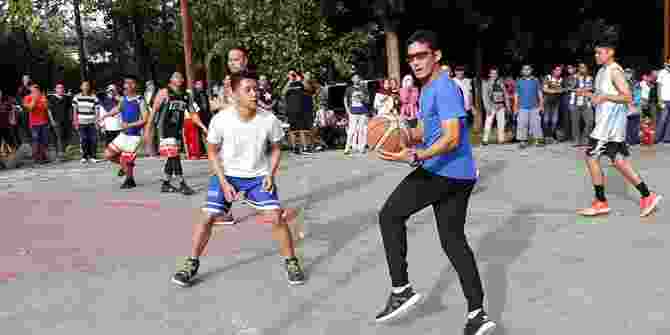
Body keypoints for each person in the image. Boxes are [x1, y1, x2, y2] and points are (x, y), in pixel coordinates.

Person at [375, 30, 496, 334]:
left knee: (390, 215)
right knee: (454, 243)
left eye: (421, 56)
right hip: (461, 175)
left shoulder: (442, 86)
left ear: (436, 55)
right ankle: (477, 314)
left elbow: (452, 137)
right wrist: (396, 131)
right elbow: (426, 132)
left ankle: (400, 289)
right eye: (411, 57)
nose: (415, 62)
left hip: (443, 171)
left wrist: (417, 157)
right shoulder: (429, 88)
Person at [170, 70, 306, 287]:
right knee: (207, 217)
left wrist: (270, 174)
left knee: (275, 217)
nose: (254, 94)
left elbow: (277, 149)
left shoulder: (269, 120)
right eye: (248, 90)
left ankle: (291, 261)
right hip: (227, 175)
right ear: (233, 94)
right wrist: (223, 181)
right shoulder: (221, 120)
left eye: (256, 89)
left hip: (258, 176)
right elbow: (212, 151)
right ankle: (191, 263)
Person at [576, 39, 662, 218]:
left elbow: (627, 97)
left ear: (610, 53)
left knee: (590, 157)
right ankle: (648, 195)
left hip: (607, 127)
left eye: (599, 52)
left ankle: (601, 202)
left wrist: (604, 97)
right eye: (596, 52)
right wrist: (589, 94)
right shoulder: (602, 71)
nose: (596, 55)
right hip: (609, 125)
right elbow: (604, 96)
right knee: (619, 161)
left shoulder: (615, 71)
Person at [151, 72, 206, 195]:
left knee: (172, 156)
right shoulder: (164, 92)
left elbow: (193, 113)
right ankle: (182, 183)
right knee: (175, 156)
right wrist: (149, 130)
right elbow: (154, 111)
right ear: (170, 79)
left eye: (181, 77)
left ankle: (166, 183)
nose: (180, 79)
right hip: (164, 128)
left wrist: (202, 126)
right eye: (176, 76)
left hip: (177, 130)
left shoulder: (186, 95)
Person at [103, 75, 149, 189]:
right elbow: (117, 109)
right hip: (123, 134)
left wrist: (129, 125)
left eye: (130, 83)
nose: (127, 85)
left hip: (134, 136)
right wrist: (106, 115)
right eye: (125, 83)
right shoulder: (123, 99)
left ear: (135, 86)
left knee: (127, 158)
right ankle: (125, 167)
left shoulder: (140, 100)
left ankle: (130, 180)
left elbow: (145, 119)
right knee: (108, 154)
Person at [514, 64, 544, 149]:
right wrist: (515, 107)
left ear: (531, 71)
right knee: (522, 124)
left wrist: (541, 105)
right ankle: (522, 141)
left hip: (534, 106)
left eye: (528, 69)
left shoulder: (535, 80)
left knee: (536, 124)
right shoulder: (519, 81)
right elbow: (516, 95)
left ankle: (536, 141)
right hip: (522, 107)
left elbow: (539, 93)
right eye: (525, 69)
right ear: (522, 71)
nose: (526, 71)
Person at [73, 80, 100, 164]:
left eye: (87, 85)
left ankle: (93, 156)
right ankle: (84, 156)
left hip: (92, 122)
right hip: (81, 122)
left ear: (89, 87)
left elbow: (97, 110)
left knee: (93, 139)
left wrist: (97, 121)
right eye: (84, 85)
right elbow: (74, 111)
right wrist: (75, 122)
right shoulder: (76, 97)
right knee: (84, 139)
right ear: (81, 87)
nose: (86, 87)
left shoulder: (94, 97)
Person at [23, 83, 50, 164]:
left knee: (44, 140)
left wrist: (44, 101)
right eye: (34, 89)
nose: (35, 91)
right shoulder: (27, 98)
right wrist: (34, 99)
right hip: (34, 124)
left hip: (44, 122)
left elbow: (46, 107)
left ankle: (43, 156)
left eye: (37, 89)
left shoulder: (42, 97)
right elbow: (30, 108)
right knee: (36, 140)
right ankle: (37, 158)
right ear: (30, 90)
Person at [343, 73, 370, 155]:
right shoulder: (349, 89)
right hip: (353, 112)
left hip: (363, 111)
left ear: (360, 79)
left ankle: (362, 148)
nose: (356, 79)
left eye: (358, 78)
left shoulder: (364, 88)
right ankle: (347, 147)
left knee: (362, 130)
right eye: (354, 78)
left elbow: (368, 100)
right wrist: (347, 110)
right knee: (352, 130)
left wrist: (363, 98)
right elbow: (345, 99)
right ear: (352, 80)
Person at [482, 67, 510, 145]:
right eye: (492, 73)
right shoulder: (486, 83)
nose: (494, 75)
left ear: (497, 74)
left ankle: (501, 139)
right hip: (491, 106)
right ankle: (485, 139)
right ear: (489, 74)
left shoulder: (501, 83)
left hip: (501, 106)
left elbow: (505, 94)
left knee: (501, 123)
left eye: (495, 73)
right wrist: (487, 107)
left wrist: (507, 105)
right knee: (488, 123)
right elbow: (485, 96)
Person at [47, 81, 73, 161]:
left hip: (66, 121)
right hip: (56, 120)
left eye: (62, 88)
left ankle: (62, 153)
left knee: (65, 137)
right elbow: (49, 110)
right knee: (59, 137)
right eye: (59, 88)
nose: (61, 89)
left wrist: (71, 119)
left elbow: (70, 109)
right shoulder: (51, 98)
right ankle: (60, 155)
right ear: (55, 89)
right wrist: (52, 120)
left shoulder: (66, 98)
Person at [571, 62, 594, 146]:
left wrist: (583, 89)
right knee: (575, 123)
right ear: (578, 69)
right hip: (575, 103)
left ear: (586, 69)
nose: (582, 69)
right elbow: (570, 87)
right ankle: (576, 140)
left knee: (590, 121)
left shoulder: (590, 78)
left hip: (587, 103)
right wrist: (578, 88)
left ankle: (585, 138)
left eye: (584, 67)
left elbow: (593, 88)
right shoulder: (574, 77)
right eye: (581, 67)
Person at [542, 65, 564, 144]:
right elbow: (545, 89)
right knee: (546, 120)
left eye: (560, 70)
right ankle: (546, 136)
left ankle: (552, 136)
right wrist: (556, 91)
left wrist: (555, 90)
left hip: (556, 102)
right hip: (547, 101)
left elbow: (562, 89)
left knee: (555, 120)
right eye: (557, 70)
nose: (559, 72)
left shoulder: (561, 79)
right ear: (553, 71)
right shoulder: (548, 77)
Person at [655, 59, 670, 144]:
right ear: (666, 63)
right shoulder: (662, 73)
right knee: (662, 119)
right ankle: (657, 138)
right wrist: (659, 100)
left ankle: (667, 138)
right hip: (664, 99)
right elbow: (659, 87)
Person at [0, 89, 17, 156]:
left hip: (6, 125)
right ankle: (3, 155)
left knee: (9, 140)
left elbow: (12, 110)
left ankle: (13, 155)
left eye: (0, 93)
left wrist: (12, 119)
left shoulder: (6, 103)